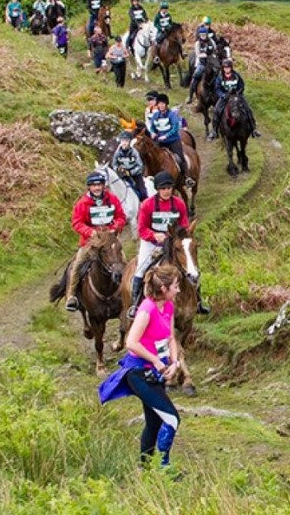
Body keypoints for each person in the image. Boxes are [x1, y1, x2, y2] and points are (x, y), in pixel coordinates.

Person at [99, 263, 182, 471]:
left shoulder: (169, 307)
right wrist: (155, 360)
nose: (179, 290)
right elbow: (131, 342)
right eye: (176, 286)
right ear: (164, 288)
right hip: (139, 372)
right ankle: (164, 469)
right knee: (171, 418)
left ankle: (144, 469)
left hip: (157, 371)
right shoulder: (147, 310)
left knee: (154, 422)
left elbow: (171, 338)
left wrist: (175, 362)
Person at [127, 171, 209, 317]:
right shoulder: (147, 205)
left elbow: (183, 223)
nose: (166, 191)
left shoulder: (178, 203)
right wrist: (154, 235)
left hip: (173, 241)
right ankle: (135, 304)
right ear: (157, 190)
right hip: (152, 243)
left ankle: (198, 302)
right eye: (163, 189)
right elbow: (141, 229)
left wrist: (183, 234)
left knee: (191, 268)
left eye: (169, 188)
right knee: (140, 269)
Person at [65, 171, 127, 311]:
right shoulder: (82, 203)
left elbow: (121, 217)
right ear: (89, 187)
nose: (97, 188)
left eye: (99, 185)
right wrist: (90, 232)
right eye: (94, 185)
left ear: (104, 186)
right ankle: (71, 296)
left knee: (124, 262)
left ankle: (129, 294)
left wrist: (115, 228)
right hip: (90, 242)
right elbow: (76, 222)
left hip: (110, 240)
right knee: (77, 265)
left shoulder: (112, 199)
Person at [211, 58, 260, 140]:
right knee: (216, 110)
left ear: (231, 68)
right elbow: (217, 89)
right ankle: (214, 131)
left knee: (248, 109)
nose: (227, 69)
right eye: (225, 68)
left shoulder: (236, 76)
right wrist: (223, 95)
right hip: (225, 97)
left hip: (237, 96)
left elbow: (242, 85)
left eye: (228, 67)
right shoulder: (220, 77)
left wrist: (238, 93)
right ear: (223, 68)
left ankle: (253, 129)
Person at [146, 94, 189, 184]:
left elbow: (175, 127)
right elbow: (152, 126)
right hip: (159, 141)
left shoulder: (172, 115)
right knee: (150, 154)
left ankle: (186, 177)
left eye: (163, 103)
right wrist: (152, 132)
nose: (161, 105)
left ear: (166, 104)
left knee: (180, 157)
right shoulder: (155, 115)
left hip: (172, 141)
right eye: (159, 104)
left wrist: (166, 135)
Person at [111, 130, 146, 199]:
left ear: (129, 142)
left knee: (143, 193)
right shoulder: (117, 153)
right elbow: (114, 164)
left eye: (126, 141)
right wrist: (118, 169)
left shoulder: (134, 152)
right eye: (122, 141)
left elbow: (140, 166)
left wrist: (130, 172)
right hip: (123, 175)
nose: (124, 143)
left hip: (135, 175)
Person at [187, 26, 216, 105]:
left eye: (204, 34)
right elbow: (198, 54)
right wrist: (206, 55)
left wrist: (212, 55)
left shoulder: (211, 41)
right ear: (199, 35)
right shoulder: (198, 43)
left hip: (211, 63)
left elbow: (215, 50)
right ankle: (190, 95)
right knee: (195, 76)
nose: (203, 36)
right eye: (201, 34)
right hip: (202, 63)